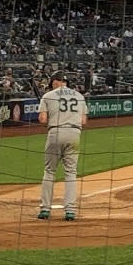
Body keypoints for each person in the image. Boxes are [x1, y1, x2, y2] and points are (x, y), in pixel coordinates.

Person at [39, 69, 87, 221]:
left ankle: (45, 209)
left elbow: (42, 120)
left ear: (55, 81)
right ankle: (70, 211)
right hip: (74, 134)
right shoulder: (79, 96)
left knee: (49, 171)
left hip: (55, 133)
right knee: (71, 172)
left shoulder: (47, 96)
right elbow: (83, 121)